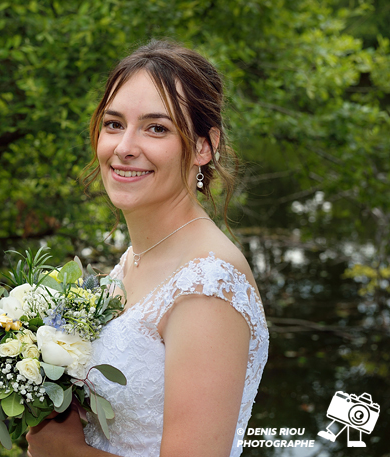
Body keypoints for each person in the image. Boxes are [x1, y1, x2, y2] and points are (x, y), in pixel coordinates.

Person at [26, 40, 269, 457]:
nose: (124, 147)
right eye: (114, 124)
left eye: (156, 128)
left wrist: (62, 451)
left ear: (202, 147)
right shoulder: (136, 257)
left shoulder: (208, 288)